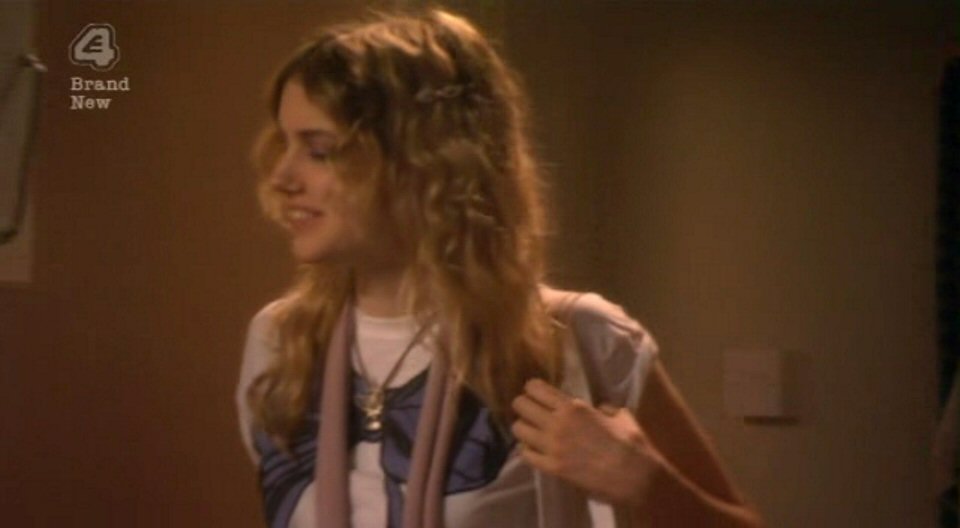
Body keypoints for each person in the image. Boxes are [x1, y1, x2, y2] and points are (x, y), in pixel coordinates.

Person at [236, 7, 764, 528]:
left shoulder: (575, 338)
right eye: (284, 143)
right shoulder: (280, 343)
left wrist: (646, 484)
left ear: (422, 162)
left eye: (320, 150)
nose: (282, 176)